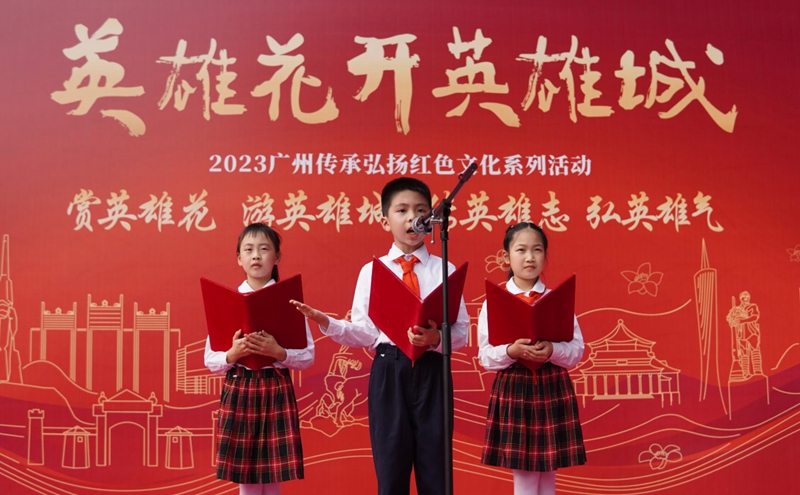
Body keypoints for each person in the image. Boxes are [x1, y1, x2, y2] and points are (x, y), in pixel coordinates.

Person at [293, 177, 470, 495]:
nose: (412, 217)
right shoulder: (372, 271)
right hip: (389, 370)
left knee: (437, 473)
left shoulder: (444, 268)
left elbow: (461, 333)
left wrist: (435, 339)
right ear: (385, 220)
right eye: (402, 210)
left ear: (431, 218)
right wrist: (327, 322)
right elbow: (364, 332)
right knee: (391, 473)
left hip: (433, 371)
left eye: (420, 210)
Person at [204, 223, 315, 495]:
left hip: (275, 387)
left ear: (276, 257)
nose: (256, 255)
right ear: (239, 259)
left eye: (264, 249)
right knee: (247, 476)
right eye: (249, 250)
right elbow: (211, 360)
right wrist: (233, 354)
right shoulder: (227, 301)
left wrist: (278, 352)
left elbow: (308, 356)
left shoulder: (289, 302)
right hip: (240, 387)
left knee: (274, 473)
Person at [477, 222, 586, 495]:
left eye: (537, 250)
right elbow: (485, 356)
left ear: (545, 256)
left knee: (549, 472)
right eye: (521, 250)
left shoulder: (556, 299)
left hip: (552, 385)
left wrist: (552, 350)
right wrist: (511, 351)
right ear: (506, 257)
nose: (530, 257)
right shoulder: (494, 301)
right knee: (524, 474)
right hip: (515, 387)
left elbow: (576, 350)